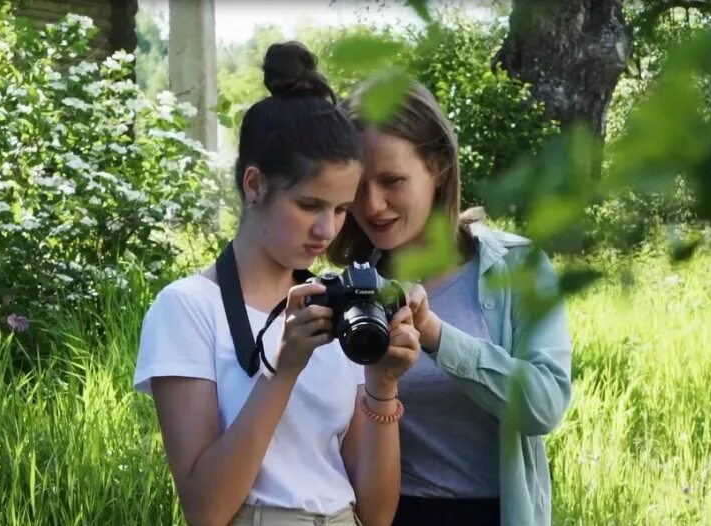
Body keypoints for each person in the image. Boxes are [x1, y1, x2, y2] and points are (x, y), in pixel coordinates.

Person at [133, 42, 419, 526]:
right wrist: (282, 371)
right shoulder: (185, 308)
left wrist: (382, 383)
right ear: (253, 185)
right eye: (309, 206)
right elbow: (205, 510)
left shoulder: (336, 307)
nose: (327, 231)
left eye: (340, 209)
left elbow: (376, 513)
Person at [327, 80, 572, 526]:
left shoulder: (517, 266)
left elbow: (545, 405)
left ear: (438, 166)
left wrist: (438, 336)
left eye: (392, 180)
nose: (373, 204)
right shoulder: (347, 287)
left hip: (493, 512)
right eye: (358, 185)